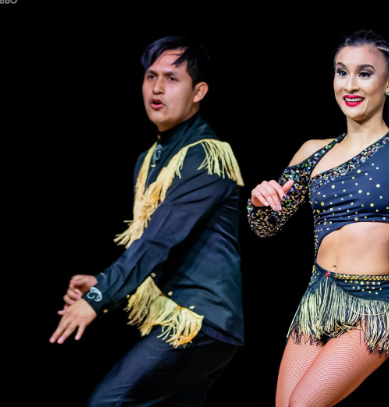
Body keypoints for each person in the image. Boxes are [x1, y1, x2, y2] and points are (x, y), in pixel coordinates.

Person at [247, 29, 389, 406]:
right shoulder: (312, 153)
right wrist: (259, 201)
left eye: (364, 73)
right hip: (316, 302)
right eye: (341, 72)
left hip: (370, 309)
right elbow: (266, 227)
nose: (350, 84)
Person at [50, 36, 245, 406]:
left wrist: (98, 296)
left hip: (200, 320)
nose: (157, 88)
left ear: (198, 91)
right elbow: (151, 243)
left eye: (172, 79)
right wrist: (100, 282)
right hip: (182, 319)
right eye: (150, 76)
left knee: (107, 402)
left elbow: (159, 241)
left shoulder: (207, 156)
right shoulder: (150, 158)